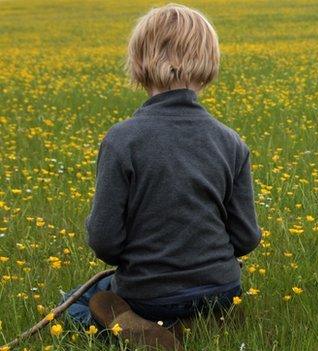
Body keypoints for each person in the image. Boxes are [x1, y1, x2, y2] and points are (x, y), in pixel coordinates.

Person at [63, 4, 261, 349]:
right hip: (223, 289)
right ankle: (200, 320)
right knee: (198, 297)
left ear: (139, 63)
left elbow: (105, 241)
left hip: (149, 294)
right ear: (209, 63)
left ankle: (139, 328)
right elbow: (246, 238)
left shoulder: (122, 139)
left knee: (75, 304)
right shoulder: (230, 141)